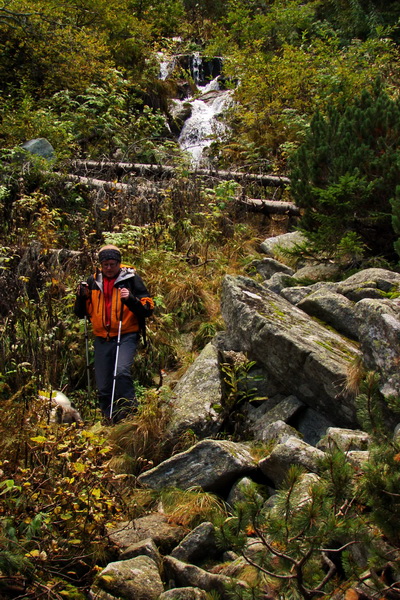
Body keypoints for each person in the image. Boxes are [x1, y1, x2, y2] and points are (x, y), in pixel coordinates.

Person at [74, 244, 154, 423]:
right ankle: (110, 419)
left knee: (121, 371)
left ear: (119, 263)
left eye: (112, 264)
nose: (109, 268)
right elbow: (80, 313)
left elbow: (148, 309)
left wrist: (130, 299)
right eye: (105, 265)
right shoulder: (92, 282)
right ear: (101, 265)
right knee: (103, 384)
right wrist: (81, 297)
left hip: (126, 334)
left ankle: (130, 415)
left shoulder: (131, 280)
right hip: (102, 337)